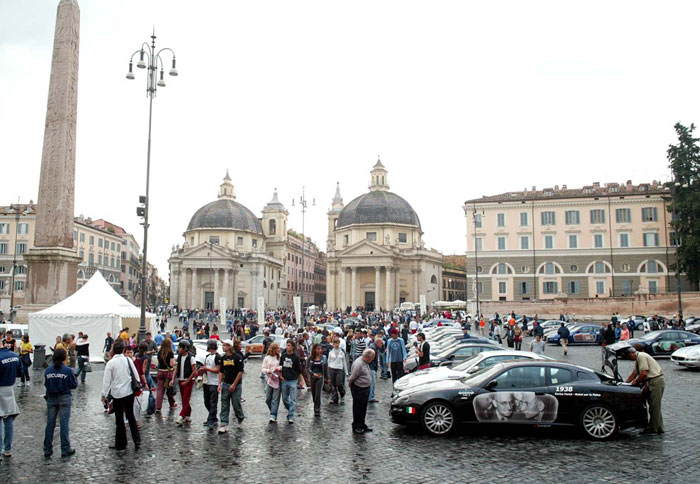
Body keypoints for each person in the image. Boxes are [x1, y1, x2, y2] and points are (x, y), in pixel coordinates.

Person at [100, 339, 141, 451]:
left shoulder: (111, 363)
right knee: (130, 415)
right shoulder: (128, 360)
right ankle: (137, 439)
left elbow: (106, 381)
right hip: (129, 392)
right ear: (123, 350)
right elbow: (136, 376)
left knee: (119, 419)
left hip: (117, 393)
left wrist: (103, 395)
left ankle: (121, 443)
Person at [43, 347, 78, 458]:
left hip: (51, 398)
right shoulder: (67, 371)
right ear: (64, 358)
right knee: (64, 423)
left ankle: (47, 449)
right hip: (64, 398)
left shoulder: (48, 370)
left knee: (50, 424)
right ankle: (65, 449)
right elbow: (74, 385)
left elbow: (46, 384)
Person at [625, 346, 665, 434]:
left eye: (629, 356)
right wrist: (625, 384)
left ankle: (653, 429)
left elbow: (644, 372)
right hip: (651, 382)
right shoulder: (638, 359)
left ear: (632, 353)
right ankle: (659, 428)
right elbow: (633, 374)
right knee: (655, 406)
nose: (629, 358)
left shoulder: (641, 357)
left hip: (655, 381)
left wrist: (635, 381)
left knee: (654, 407)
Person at [217, 339, 245, 433]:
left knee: (236, 403)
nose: (223, 347)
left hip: (236, 385)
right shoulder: (223, 358)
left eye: (224, 345)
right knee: (224, 404)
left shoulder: (237, 357)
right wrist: (219, 384)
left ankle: (240, 416)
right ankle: (224, 423)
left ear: (229, 347)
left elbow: (240, 372)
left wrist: (234, 384)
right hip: (226, 383)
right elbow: (221, 372)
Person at [0, 341, 20, 459]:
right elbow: (20, 373)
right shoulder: (14, 356)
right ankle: (7, 449)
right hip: (9, 389)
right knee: (8, 419)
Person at [348, 348, 375, 434]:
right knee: (358, 408)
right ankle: (356, 426)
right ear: (367, 357)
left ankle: (362, 424)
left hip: (365, 388)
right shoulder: (359, 364)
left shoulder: (365, 362)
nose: (372, 360)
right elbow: (352, 377)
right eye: (372, 358)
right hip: (359, 388)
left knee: (363, 407)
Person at [171, 341, 197, 426]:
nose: (178, 349)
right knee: (183, 398)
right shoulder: (179, 357)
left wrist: (187, 381)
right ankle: (187, 414)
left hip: (188, 381)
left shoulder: (191, 358)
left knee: (186, 398)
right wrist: (173, 379)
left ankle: (181, 415)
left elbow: (194, 371)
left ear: (185, 348)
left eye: (180, 348)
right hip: (181, 380)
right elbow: (176, 369)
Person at [279, 339, 302, 424]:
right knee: (285, 399)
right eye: (287, 345)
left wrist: (300, 381)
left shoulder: (296, 357)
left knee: (293, 399)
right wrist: (281, 376)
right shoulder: (283, 356)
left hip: (293, 380)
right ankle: (290, 410)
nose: (287, 347)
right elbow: (280, 366)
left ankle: (291, 415)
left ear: (292, 347)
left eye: (289, 345)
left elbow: (299, 370)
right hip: (285, 379)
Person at [200, 339, 221, 431]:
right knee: (206, 401)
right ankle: (213, 416)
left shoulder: (217, 357)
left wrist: (207, 369)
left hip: (214, 382)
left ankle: (211, 419)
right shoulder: (207, 356)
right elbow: (205, 366)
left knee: (213, 402)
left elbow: (218, 370)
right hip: (207, 382)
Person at [261, 342, 282, 422]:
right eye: (277, 348)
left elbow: (283, 366)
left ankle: (273, 415)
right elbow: (263, 368)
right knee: (268, 399)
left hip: (277, 379)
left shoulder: (279, 357)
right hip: (269, 379)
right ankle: (273, 411)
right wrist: (267, 371)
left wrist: (279, 368)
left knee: (275, 399)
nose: (279, 350)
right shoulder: (267, 358)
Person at [306, 343, 328, 417]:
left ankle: (317, 410)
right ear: (315, 350)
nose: (320, 350)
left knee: (318, 394)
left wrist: (327, 378)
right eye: (318, 349)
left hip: (320, 377)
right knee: (314, 394)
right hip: (313, 377)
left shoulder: (323, 358)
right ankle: (315, 405)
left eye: (321, 349)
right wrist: (312, 373)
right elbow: (307, 368)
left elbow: (325, 368)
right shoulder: (310, 358)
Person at [155, 338, 176, 412]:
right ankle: (172, 404)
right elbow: (172, 364)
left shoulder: (159, 352)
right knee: (169, 389)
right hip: (168, 373)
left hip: (160, 372)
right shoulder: (170, 353)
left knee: (160, 390)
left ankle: (158, 406)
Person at [327, 337, 348, 404]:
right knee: (333, 384)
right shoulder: (330, 352)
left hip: (339, 369)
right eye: (335, 343)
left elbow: (344, 362)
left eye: (337, 343)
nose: (336, 344)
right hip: (332, 368)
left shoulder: (342, 352)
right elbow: (328, 361)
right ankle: (334, 398)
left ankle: (342, 392)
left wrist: (346, 371)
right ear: (333, 344)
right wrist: (327, 372)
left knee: (339, 383)